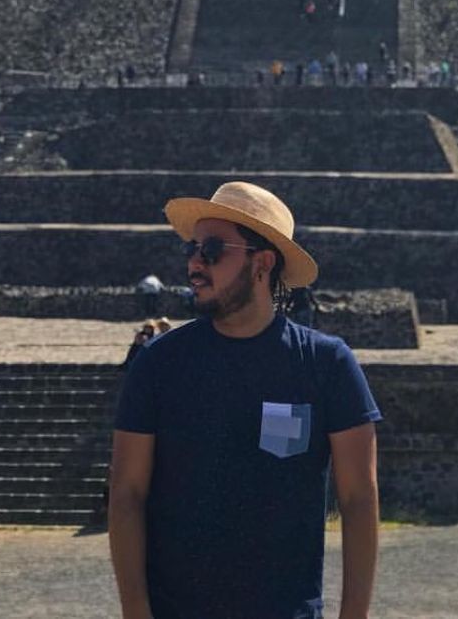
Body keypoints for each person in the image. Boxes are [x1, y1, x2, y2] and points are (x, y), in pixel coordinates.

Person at [110, 181, 381, 619]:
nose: (195, 264)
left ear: (263, 262)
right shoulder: (159, 364)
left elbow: (359, 500)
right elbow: (126, 494)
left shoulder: (326, 365)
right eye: (193, 250)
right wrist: (136, 612)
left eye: (213, 249)